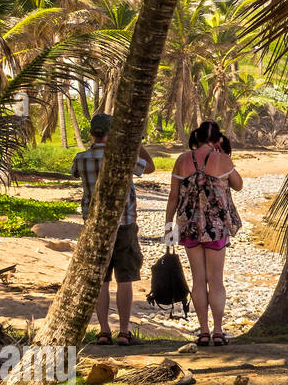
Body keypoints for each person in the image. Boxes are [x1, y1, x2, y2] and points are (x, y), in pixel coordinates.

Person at [70, 112, 156, 346]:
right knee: (125, 277)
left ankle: (104, 330)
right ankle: (124, 331)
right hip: (124, 222)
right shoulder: (123, 157)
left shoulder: (82, 158)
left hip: (94, 225)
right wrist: (135, 144)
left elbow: (75, 173)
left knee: (102, 279)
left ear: (92, 134)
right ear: (113, 134)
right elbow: (150, 167)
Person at [166, 121, 243, 346]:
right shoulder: (222, 159)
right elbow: (238, 185)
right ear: (217, 139)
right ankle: (218, 331)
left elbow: (173, 197)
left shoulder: (182, 160)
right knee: (216, 281)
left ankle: (203, 331)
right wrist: (223, 158)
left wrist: (168, 226)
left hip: (189, 226)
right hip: (216, 228)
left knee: (198, 279)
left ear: (196, 137)